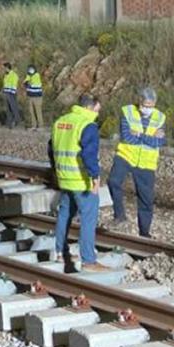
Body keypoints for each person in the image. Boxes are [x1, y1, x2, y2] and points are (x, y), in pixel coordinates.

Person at [50, 95, 107, 272]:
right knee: (89, 217)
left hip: (64, 177)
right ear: (91, 107)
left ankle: (60, 252)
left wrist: (56, 171)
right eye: (98, 110)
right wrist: (95, 177)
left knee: (65, 213)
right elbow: (88, 154)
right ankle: (88, 260)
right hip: (81, 181)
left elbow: (51, 149)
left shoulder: (61, 122)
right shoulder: (87, 125)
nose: (98, 114)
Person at [107, 87, 167, 237]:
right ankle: (119, 215)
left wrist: (140, 134)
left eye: (151, 106)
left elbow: (158, 142)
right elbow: (127, 137)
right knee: (113, 181)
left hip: (146, 163)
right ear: (140, 101)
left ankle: (144, 233)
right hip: (126, 156)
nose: (148, 109)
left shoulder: (160, 117)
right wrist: (149, 137)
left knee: (146, 199)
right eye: (146, 105)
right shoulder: (127, 112)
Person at [1, 62, 23, 128]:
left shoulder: (14, 75)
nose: (3, 69)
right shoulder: (6, 75)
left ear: (7, 67)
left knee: (13, 107)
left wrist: (11, 92)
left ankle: (17, 121)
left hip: (11, 93)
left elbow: (14, 84)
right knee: (8, 108)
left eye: (4, 68)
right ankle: (9, 123)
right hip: (7, 93)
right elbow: (5, 83)